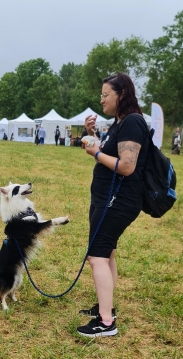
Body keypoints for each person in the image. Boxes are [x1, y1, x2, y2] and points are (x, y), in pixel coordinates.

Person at [76, 72, 149, 338]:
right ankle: (106, 308)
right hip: (107, 199)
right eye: (101, 95)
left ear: (121, 95)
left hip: (118, 201)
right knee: (107, 255)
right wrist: (92, 135)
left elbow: (127, 166)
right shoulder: (121, 122)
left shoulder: (131, 123)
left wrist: (95, 153)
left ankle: (106, 323)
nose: (102, 100)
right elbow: (110, 154)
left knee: (97, 257)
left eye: (106, 95)